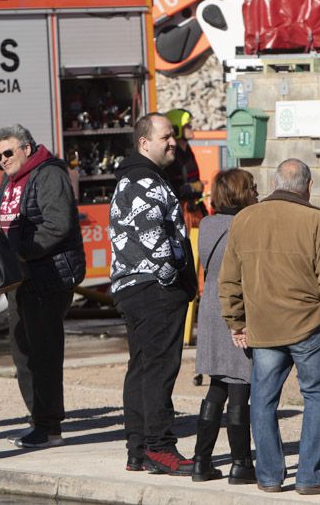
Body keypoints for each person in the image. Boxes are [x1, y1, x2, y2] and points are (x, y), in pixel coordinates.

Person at [218, 159, 320, 495]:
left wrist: (236, 321)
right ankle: (310, 477)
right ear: (308, 185)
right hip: (312, 326)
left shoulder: (244, 219)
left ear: (275, 183)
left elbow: (229, 278)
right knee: (318, 396)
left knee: (262, 400)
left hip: (263, 327)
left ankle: (269, 477)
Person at [109, 112, 195, 476]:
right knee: (159, 368)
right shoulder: (145, 181)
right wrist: (173, 275)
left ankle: (138, 448)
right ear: (145, 143)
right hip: (154, 290)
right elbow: (153, 238)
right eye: (165, 137)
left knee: (142, 368)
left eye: (173, 135)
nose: (173, 141)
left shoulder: (133, 179)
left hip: (134, 289)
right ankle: (159, 447)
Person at [0, 124, 86, 449]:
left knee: (43, 352)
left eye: (8, 152)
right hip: (23, 277)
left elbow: (57, 224)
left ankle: (48, 427)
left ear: (27, 149)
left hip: (48, 277)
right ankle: (38, 421)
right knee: (23, 350)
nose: (3, 160)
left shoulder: (48, 174)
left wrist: (22, 252)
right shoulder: (13, 178)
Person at [191, 168, 258, 484]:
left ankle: (201, 461)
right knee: (240, 386)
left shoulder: (207, 224)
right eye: (252, 187)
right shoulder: (245, 225)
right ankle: (241, 463)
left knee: (217, 384)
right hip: (236, 306)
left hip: (210, 308)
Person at [163, 108, 206, 229]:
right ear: (176, 128)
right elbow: (171, 187)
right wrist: (190, 188)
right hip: (182, 213)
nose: (192, 128)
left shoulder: (187, 150)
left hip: (194, 208)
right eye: (187, 125)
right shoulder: (171, 155)